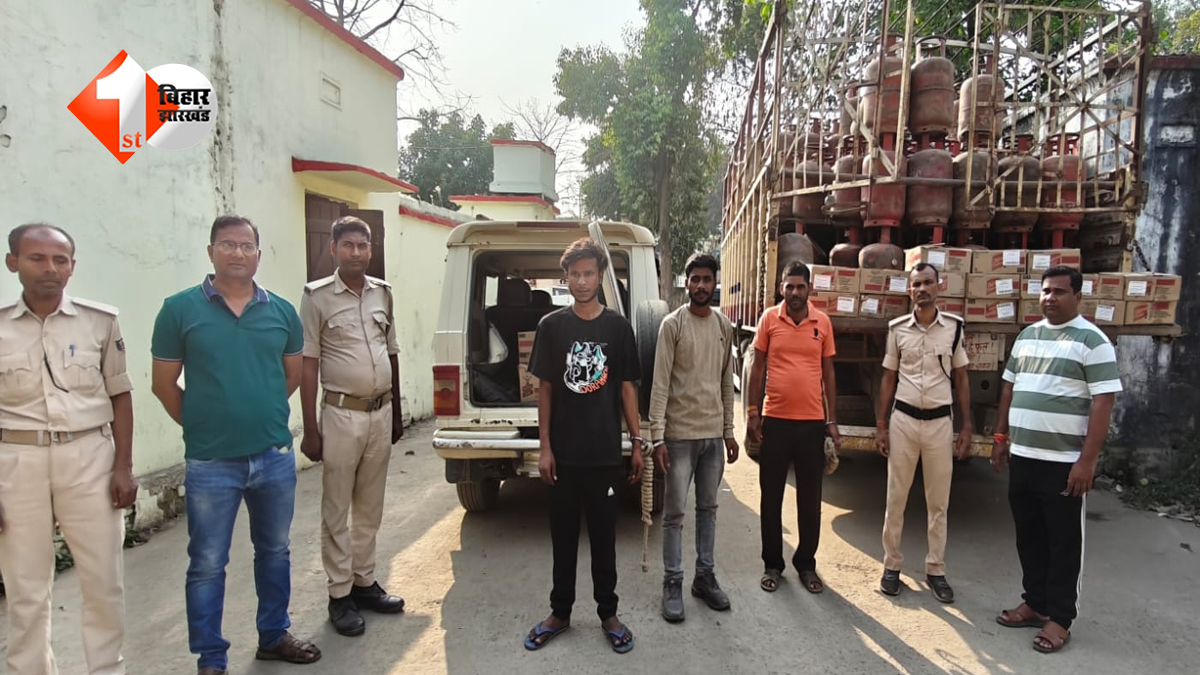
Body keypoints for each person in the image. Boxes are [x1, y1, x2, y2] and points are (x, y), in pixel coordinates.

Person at [151, 216, 320, 675]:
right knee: (207, 562)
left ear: (258, 255)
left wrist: (259, 413)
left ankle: (274, 635)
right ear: (211, 252)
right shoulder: (179, 310)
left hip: (273, 456)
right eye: (228, 244)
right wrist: (203, 425)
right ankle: (211, 658)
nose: (238, 253)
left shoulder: (281, 311)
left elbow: (290, 377)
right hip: (211, 462)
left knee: (275, 551)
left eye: (247, 245)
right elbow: (163, 385)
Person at [0, 223, 137, 675]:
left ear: (72, 267)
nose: (50, 268)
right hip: (16, 461)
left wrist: (123, 467)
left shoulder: (100, 321)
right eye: (37, 258)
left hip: (88, 457)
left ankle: (107, 669)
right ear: (13, 263)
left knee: (103, 580)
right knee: (24, 586)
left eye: (60, 260)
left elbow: (120, 395)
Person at [522, 237, 644, 654]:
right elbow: (545, 390)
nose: (581, 281)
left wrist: (637, 442)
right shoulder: (551, 327)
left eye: (589, 273)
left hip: (604, 456)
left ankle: (608, 614)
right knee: (563, 540)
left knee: (605, 541)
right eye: (574, 274)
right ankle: (559, 613)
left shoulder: (617, 328)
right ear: (566, 277)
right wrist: (545, 448)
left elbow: (626, 388)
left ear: (600, 275)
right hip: (564, 457)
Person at [991, 266, 1121, 654]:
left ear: (1077, 297)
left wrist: (1087, 461)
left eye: (1060, 292)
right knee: (1029, 535)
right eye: (1046, 291)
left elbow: (1103, 402)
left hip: (1063, 462)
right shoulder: (1027, 336)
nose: (1050, 298)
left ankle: (1060, 618)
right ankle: (1035, 602)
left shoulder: (1092, 341)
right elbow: (1009, 389)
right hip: (1023, 456)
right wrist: (1000, 437)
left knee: (1063, 542)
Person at [299, 216, 406, 637]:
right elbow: (309, 363)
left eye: (363, 245)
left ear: (370, 249)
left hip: (380, 412)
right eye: (348, 245)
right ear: (334, 249)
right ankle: (339, 594)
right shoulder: (317, 298)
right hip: (341, 415)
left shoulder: (383, 293)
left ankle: (364, 582)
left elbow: (391, 351)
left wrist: (396, 411)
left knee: (370, 506)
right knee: (337, 508)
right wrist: (311, 428)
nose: (357, 252)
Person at [648, 252, 739, 623]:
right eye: (695, 279)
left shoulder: (724, 326)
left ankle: (704, 577)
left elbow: (726, 382)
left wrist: (729, 432)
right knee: (674, 514)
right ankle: (672, 582)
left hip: (712, 439)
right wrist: (657, 438)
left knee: (708, 510)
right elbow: (659, 384)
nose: (701, 285)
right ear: (686, 282)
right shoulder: (672, 325)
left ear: (715, 283)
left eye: (707, 279)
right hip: (679, 438)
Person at [875, 263, 972, 603]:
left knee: (938, 502)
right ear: (909, 291)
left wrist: (966, 425)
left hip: (939, 423)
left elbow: (961, 378)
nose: (922, 289)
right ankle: (891, 565)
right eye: (916, 284)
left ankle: (936, 570)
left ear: (939, 286)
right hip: (903, 420)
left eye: (928, 283)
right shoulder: (897, 329)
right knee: (896, 498)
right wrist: (882, 425)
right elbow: (888, 378)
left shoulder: (954, 329)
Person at [747, 261, 839, 595]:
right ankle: (772, 564)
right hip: (775, 422)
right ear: (781, 288)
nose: (795, 292)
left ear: (809, 289)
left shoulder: (822, 323)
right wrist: (753, 412)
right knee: (771, 496)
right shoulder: (769, 319)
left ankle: (806, 564)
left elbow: (828, 373)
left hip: (812, 424)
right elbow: (757, 367)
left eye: (801, 286)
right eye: (789, 286)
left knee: (810, 499)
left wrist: (831, 420)